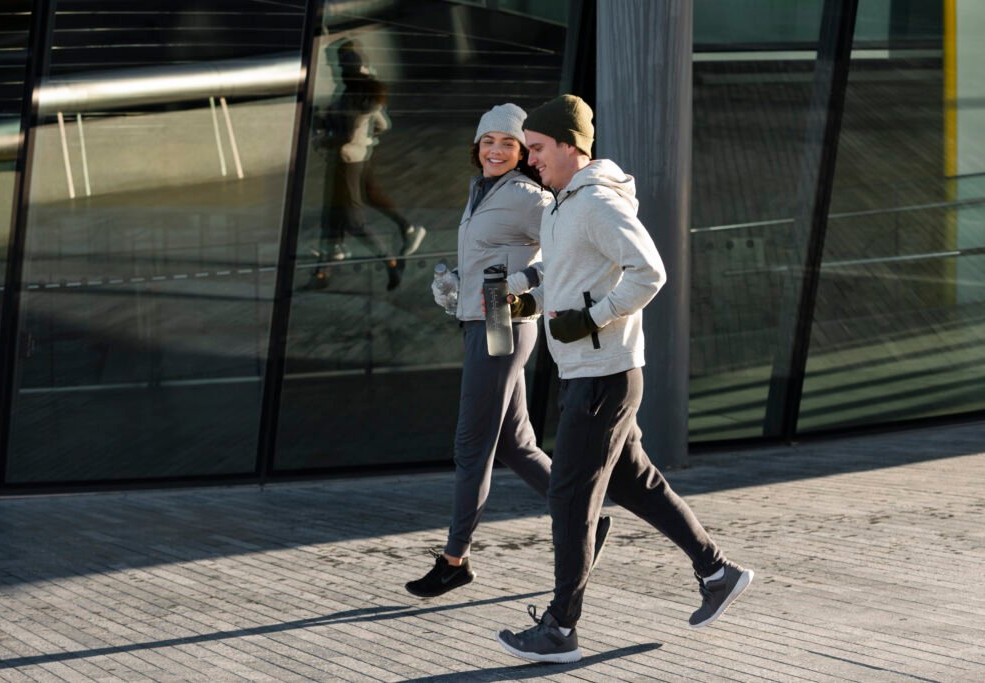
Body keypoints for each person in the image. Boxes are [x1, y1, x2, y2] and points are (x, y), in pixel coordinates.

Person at [495, 95, 754, 664]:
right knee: (637, 485)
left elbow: (649, 271)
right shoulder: (563, 204)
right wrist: (527, 298)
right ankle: (718, 572)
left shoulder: (596, 202)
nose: (529, 159)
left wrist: (593, 318)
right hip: (589, 374)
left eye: (537, 148)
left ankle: (560, 628)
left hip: (604, 376)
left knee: (569, 496)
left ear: (570, 145)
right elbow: (569, 273)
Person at [404, 103, 612, 599]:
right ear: (476, 146)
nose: (495, 151)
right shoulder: (483, 189)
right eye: (488, 141)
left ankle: (455, 560)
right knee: (515, 445)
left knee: (471, 444)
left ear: (522, 153)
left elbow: (568, 250)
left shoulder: (525, 196)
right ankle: (588, 519)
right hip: (484, 318)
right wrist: (460, 282)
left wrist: (514, 284)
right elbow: (491, 258)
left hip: (502, 321)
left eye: (508, 144)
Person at [304, 40, 425, 291]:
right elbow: (379, 125)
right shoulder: (359, 91)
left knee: (353, 220)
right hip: (349, 158)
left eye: (340, 64)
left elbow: (345, 135)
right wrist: (362, 139)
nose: (336, 68)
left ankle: (390, 262)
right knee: (333, 218)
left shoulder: (354, 95)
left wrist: (322, 139)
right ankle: (322, 273)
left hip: (346, 161)